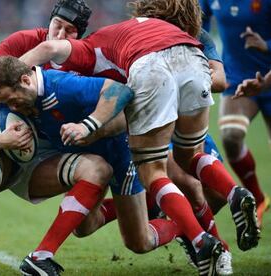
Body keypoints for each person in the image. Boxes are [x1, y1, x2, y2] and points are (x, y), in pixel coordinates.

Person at [20, 1, 261, 274]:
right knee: (185, 175)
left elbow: (219, 80)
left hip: (153, 92)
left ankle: (205, 243)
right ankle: (228, 205)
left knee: (171, 180)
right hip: (181, 84)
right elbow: (215, 80)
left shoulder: (116, 35)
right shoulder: (193, 37)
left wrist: (7, 76)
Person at [0, 58, 181, 275]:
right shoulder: (4, 94)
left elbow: (120, 95)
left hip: (41, 161)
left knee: (94, 186)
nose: (9, 105)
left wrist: (90, 126)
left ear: (27, 80)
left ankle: (41, 257)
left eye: (11, 100)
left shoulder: (62, 85)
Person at [199, 0, 271, 226]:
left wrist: (267, 46)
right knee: (230, 135)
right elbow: (197, 23)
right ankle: (257, 198)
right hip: (236, 77)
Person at [0, 0, 92, 123]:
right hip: (21, 117)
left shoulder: (86, 55)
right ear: (50, 22)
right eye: (57, 25)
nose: (60, 35)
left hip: (62, 123)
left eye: (69, 31)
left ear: (79, 35)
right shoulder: (25, 40)